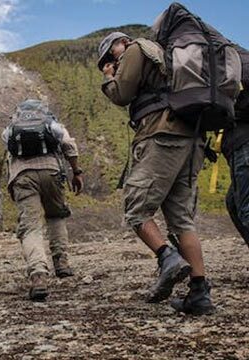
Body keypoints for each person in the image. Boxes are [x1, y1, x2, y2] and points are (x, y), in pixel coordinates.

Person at [98, 32, 215, 315]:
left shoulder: (136, 49)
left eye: (108, 56)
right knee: (181, 219)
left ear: (119, 43)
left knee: (136, 208)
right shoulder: (165, 54)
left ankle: (167, 257)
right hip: (192, 139)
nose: (109, 61)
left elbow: (122, 95)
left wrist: (109, 77)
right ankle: (199, 293)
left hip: (162, 135)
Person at [2, 99, 83, 301]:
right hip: (52, 172)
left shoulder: (12, 127)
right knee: (56, 216)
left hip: (23, 176)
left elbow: (8, 152)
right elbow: (68, 145)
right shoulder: (51, 123)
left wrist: (11, 184)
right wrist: (76, 171)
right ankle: (61, 263)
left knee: (31, 227)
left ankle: (38, 275)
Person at [222, 47, 249, 248]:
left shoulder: (225, 68)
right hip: (240, 143)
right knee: (234, 202)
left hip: (244, 143)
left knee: (246, 209)